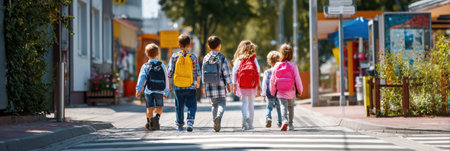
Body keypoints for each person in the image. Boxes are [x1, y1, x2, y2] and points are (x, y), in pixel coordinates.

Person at [167, 34, 201, 132]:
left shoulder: (174, 57)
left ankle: (180, 125)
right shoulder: (193, 57)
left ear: (179, 45)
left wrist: (168, 84)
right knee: (192, 105)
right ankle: (190, 121)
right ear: (189, 45)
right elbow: (197, 72)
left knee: (179, 106)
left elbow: (170, 71)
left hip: (178, 86)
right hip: (191, 86)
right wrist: (197, 83)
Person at [201, 36, 233, 132]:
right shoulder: (222, 57)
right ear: (219, 46)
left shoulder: (206, 57)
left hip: (209, 85)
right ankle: (218, 117)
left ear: (208, 46)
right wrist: (229, 84)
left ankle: (215, 121)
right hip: (220, 85)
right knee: (222, 102)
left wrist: (203, 86)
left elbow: (203, 72)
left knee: (214, 104)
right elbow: (226, 73)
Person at [135, 43, 169, 131]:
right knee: (159, 106)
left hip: (148, 90)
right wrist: (166, 91)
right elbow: (166, 78)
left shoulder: (145, 66)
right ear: (158, 54)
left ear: (147, 54)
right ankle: (156, 118)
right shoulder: (162, 65)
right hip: (159, 90)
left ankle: (149, 122)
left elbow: (141, 78)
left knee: (149, 108)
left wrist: (138, 90)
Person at [270, 44, 303, 131]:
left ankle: (285, 120)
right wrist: (300, 90)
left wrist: (272, 91)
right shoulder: (293, 65)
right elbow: (297, 79)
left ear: (281, 54)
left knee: (283, 106)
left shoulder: (277, 65)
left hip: (281, 91)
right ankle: (291, 124)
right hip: (291, 90)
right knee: (291, 107)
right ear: (291, 54)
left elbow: (272, 80)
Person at [232, 40, 261, 130]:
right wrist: (258, 85)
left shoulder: (239, 58)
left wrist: (234, 84)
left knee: (244, 102)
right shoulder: (254, 58)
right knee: (251, 104)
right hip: (252, 85)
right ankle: (251, 124)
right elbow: (258, 71)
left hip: (242, 84)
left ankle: (244, 118)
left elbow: (234, 72)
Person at [261, 51, 282, 128]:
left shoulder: (267, 72)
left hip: (269, 93)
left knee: (269, 107)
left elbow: (264, 84)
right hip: (279, 92)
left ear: (269, 61)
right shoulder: (280, 70)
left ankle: (268, 117)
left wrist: (263, 94)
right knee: (279, 108)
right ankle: (279, 122)